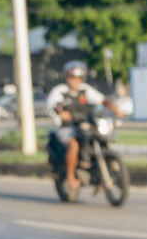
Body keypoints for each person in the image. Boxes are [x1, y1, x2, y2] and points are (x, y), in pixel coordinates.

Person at [47, 61, 122, 193]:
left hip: (85, 126)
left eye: (78, 78)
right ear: (67, 77)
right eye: (72, 77)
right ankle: (70, 177)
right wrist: (61, 113)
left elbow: (102, 100)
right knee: (74, 143)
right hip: (66, 128)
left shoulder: (85, 90)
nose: (75, 81)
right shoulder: (59, 91)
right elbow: (54, 105)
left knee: (101, 137)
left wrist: (114, 107)